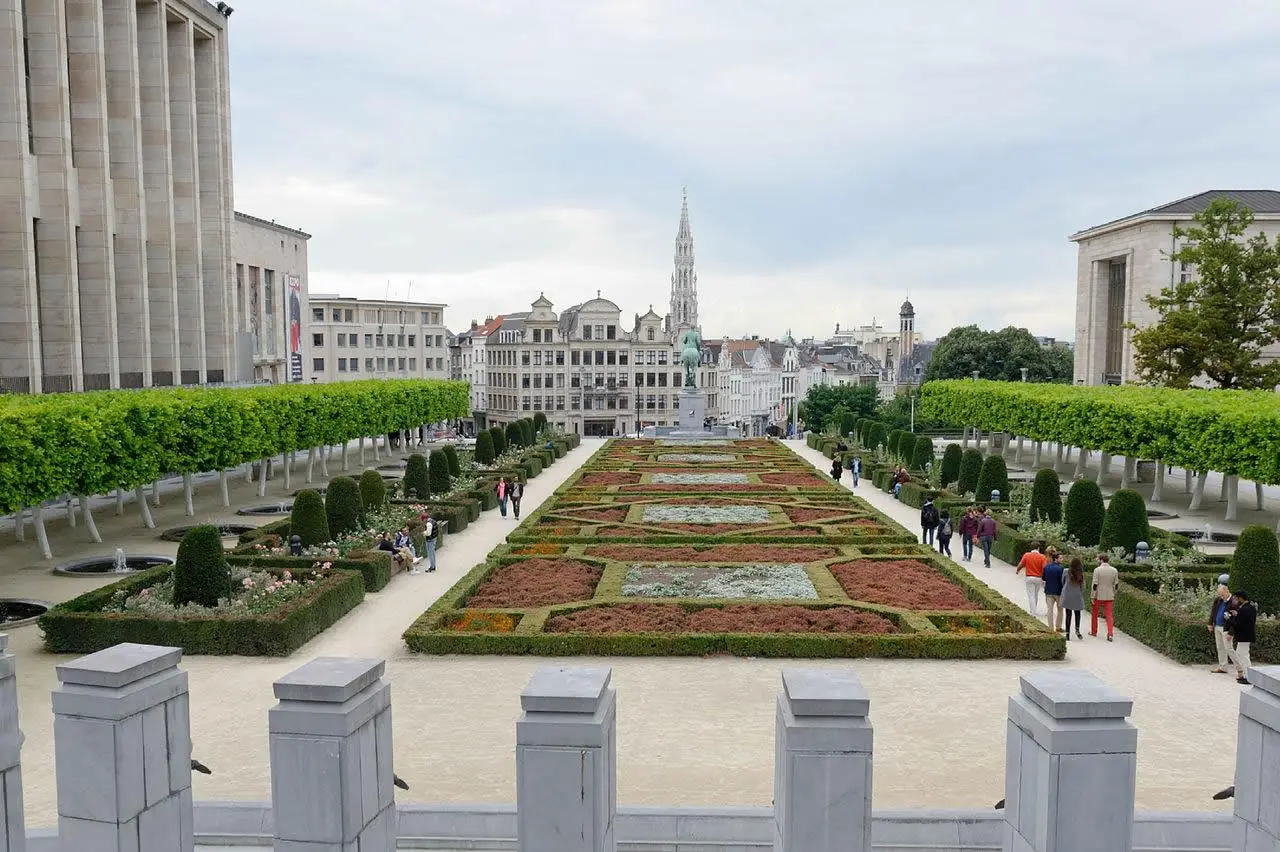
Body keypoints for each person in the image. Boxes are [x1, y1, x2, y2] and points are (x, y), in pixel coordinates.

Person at [1225, 590, 1256, 685]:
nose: (1235, 601)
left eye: (1236, 599)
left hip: (1244, 636)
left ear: (1241, 598)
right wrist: (1237, 615)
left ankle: (1249, 677)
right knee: (1241, 654)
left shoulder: (1243, 609)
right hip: (1247, 635)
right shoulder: (1251, 608)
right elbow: (1246, 620)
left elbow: (1238, 625)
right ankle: (1247, 676)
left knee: (1243, 656)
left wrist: (1229, 618)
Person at [1090, 554, 1119, 641]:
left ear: (1101, 560)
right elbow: (1116, 584)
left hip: (1098, 595)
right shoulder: (1114, 570)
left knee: (1095, 614)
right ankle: (1110, 634)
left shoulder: (1097, 570)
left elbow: (1095, 584)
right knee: (1109, 615)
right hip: (1109, 595)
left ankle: (1094, 632)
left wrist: (1092, 596)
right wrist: (1113, 593)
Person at [1208, 575, 1234, 673]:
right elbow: (1213, 612)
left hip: (1226, 628)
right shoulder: (1218, 600)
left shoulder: (1233, 602)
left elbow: (1235, 619)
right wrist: (1210, 623)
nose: (1221, 597)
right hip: (1217, 626)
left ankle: (1240, 668)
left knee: (1229, 649)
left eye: (1222, 595)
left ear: (1227, 591)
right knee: (1220, 648)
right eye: (1220, 595)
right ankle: (1223, 667)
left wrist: (1231, 632)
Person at [1016, 541, 1047, 616]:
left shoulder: (1027, 555)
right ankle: (1034, 609)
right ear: (1038, 548)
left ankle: (1033, 611)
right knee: (1035, 594)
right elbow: (1044, 568)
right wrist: (1044, 578)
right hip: (1038, 578)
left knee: (1031, 595)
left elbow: (1021, 564)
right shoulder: (1042, 557)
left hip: (1029, 577)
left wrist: (1018, 570)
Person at [1061, 557, 1085, 640]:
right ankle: (1077, 630)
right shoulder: (1080, 573)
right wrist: (1080, 593)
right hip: (1077, 595)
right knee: (1077, 613)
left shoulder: (1066, 571)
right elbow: (1083, 586)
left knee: (1068, 614)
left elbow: (1062, 581)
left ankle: (1067, 634)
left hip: (1067, 595)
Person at [1042, 547, 1064, 632]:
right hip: (1058, 592)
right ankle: (1058, 627)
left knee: (1049, 610)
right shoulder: (1060, 568)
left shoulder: (1046, 567)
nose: (1062, 559)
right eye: (1060, 558)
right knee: (1060, 610)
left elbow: (1044, 578)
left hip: (1048, 591)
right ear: (1056, 559)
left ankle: (1050, 628)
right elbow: (1062, 580)